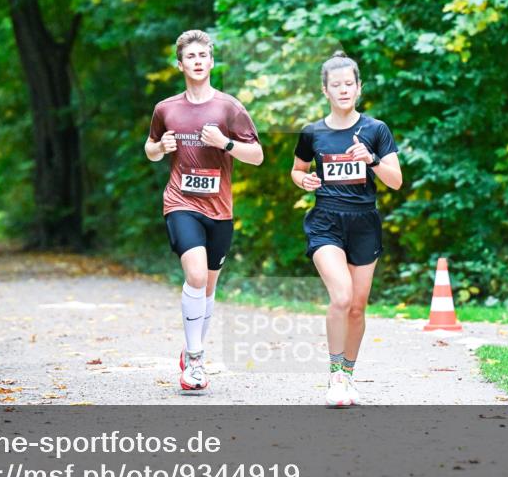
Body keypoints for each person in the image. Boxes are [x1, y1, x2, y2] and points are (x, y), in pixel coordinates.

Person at [145, 30, 264, 392]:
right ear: (179, 64)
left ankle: (190, 349)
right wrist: (161, 147)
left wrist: (225, 143)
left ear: (211, 62)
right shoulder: (166, 109)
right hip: (180, 202)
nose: (197, 61)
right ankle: (196, 359)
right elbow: (150, 148)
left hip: (220, 210)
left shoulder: (229, 108)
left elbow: (257, 156)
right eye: (190, 56)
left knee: (209, 287)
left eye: (203, 56)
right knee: (195, 275)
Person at [290, 51, 403, 407]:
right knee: (340, 297)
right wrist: (303, 180)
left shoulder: (375, 130)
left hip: (364, 224)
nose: (343, 90)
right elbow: (296, 170)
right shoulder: (312, 133)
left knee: (357, 306)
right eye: (335, 85)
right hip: (326, 221)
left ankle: (349, 375)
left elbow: (396, 181)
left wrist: (370, 159)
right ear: (325, 90)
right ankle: (335, 376)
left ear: (359, 88)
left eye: (349, 84)